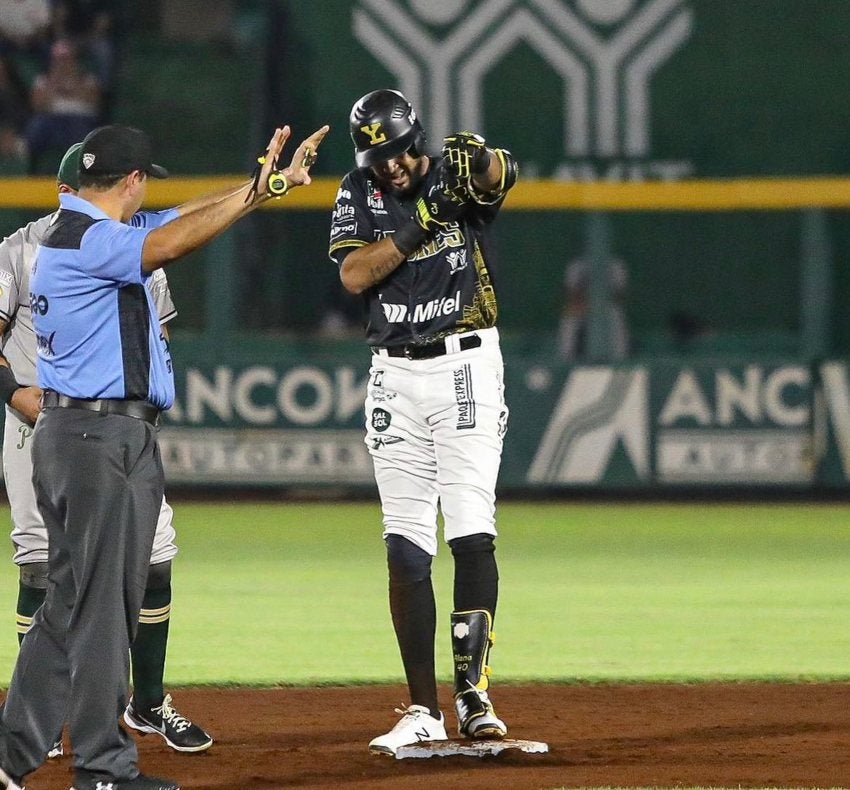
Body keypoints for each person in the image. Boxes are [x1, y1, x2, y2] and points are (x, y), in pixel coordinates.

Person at [0, 119, 328, 790]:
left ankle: (11, 757)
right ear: (131, 180)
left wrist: (262, 188)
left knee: (67, 604)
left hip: (87, 437)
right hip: (99, 439)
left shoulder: (71, 231)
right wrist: (258, 189)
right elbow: (172, 239)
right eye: (144, 182)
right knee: (98, 612)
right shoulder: (91, 241)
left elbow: (176, 220)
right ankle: (102, 767)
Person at [0, 141, 214, 759]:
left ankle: (117, 715)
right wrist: (16, 395)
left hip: (111, 425)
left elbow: (154, 331)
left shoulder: (127, 240)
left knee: (130, 567)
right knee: (56, 574)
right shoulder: (37, 246)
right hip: (59, 424)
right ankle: (78, 738)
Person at [328, 89, 518, 755]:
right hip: (393, 375)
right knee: (405, 547)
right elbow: (355, 275)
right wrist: (417, 224)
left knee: (470, 530)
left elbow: (499, 176)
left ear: (417, 140)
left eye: (399, 152)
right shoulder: (357, 189)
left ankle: (473, 692)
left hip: (464, 363)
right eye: (379, 157)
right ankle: (422, 707)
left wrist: (485, 158)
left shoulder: (452, 175)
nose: (391, 166)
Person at [24, 38, 101, 172]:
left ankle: (81, 172)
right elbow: (38, 106)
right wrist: (54, 83)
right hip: (50, 118)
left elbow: (93, 103)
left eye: (67, 59)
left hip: (79, 118)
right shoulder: (43, 80)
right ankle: (29, 168)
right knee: (36, 127)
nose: (63, 64)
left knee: (80, 134)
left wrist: (74, 83)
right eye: (59, 60)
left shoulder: (87, 79)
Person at [558, 255, 630, 361]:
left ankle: (620, 359)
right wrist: (587, 303)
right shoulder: (577, 266)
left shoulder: (615, 265)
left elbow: (619, 296)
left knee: (615, 314)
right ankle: (565, 360)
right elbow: (571, 294)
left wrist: (599, 302)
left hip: (606, 306)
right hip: (582, 306)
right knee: (570, 317)